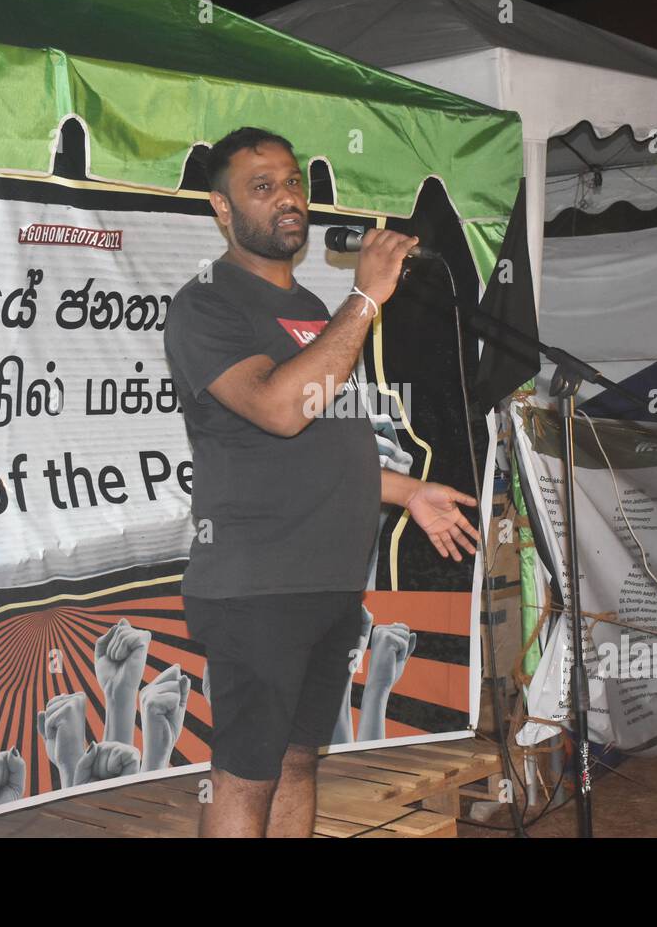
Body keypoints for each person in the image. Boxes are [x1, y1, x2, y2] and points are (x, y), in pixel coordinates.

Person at [163, 127, 481, 837]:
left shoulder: (311, 307)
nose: (288, 200)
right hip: (256, 589)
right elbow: (281, 410)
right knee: (246, 775)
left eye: (293, 183)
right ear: (222, 207)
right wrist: (365, 301)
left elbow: (327, 444)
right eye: (263, 186)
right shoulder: (207, 305)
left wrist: (408, 492)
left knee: (300, 763)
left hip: (329, 583)